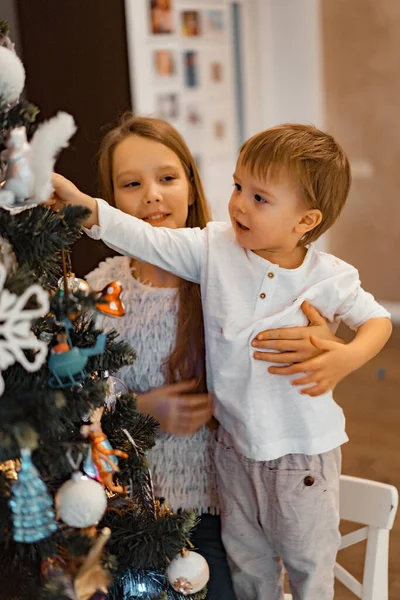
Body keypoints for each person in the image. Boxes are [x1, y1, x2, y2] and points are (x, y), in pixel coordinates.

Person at [51, 122, 391, 600]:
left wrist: (345, 356)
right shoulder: (211, 250)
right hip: (227, 457)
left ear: (305, 221)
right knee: (250, 568)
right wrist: (86, 209)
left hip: (298, 455)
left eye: (259, 197)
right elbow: (145, 241)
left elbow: (378, 321)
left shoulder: (328, 276)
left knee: (308, 565)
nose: (239, 204)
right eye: (237, 187)